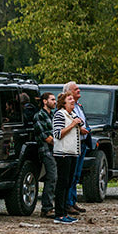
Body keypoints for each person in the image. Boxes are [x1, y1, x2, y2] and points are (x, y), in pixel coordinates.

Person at [52, 92, 83, 224]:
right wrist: (72, 124)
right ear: (63, 103)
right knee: (62, 183)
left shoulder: (72, 114)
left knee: (69, 182)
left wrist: (80, 126)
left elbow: (78, 125)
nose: (72, 101)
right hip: (63, 153)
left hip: (72, 153)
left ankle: (64, 212)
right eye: (69, 99)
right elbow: (58, 134)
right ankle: (59, 214)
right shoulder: (60, 114)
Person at [63, 82, 91, 215]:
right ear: (69, 92)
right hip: (73, 144)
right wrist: (80, 130)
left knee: (77, 175)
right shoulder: (66, 109)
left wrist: (87, 129)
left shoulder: (79, 106)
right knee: (71, 174)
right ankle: (67, 203)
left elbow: (84, 120)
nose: (79, 91)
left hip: (83, 143)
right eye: (76, 89)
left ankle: (72, 201)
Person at [33, 92, 57, 218]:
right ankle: (46, 207)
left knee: (55, 177)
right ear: (45, 101)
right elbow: (45, 137)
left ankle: (52, 206)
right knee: (51, 177)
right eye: (52, 99)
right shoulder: (39, 116)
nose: (55, 101)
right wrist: (58, 143)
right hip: (46, 150)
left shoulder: (53, 115)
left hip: (54, 150)